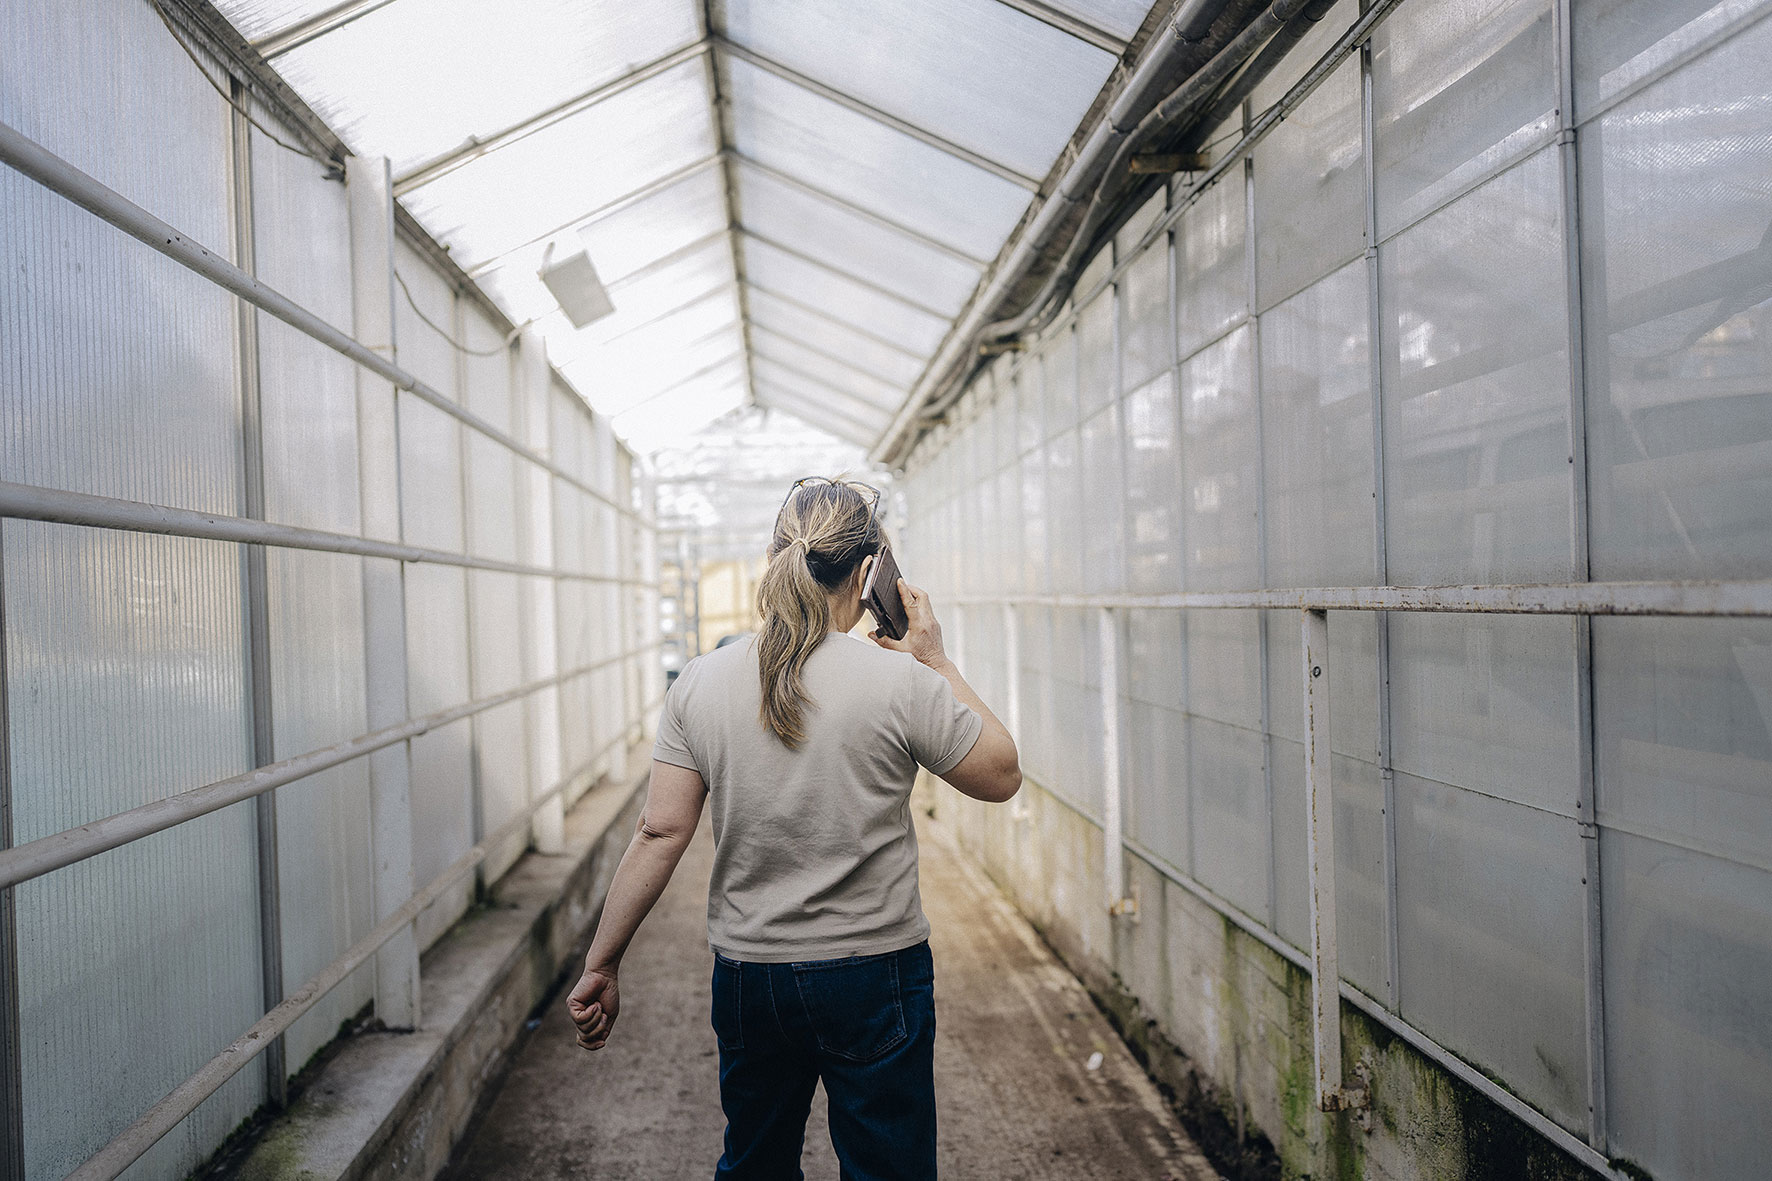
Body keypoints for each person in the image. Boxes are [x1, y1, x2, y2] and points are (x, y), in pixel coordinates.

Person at [566, 476, 1021, 1180]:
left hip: (751, 976)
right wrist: (934, 657)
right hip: (876, 973)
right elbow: (1001, 775)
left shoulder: (700, 681)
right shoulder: (899, 681)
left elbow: (659, 832)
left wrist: (602, 961)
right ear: (871, 572)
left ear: (774, 556)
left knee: (755, 1163)